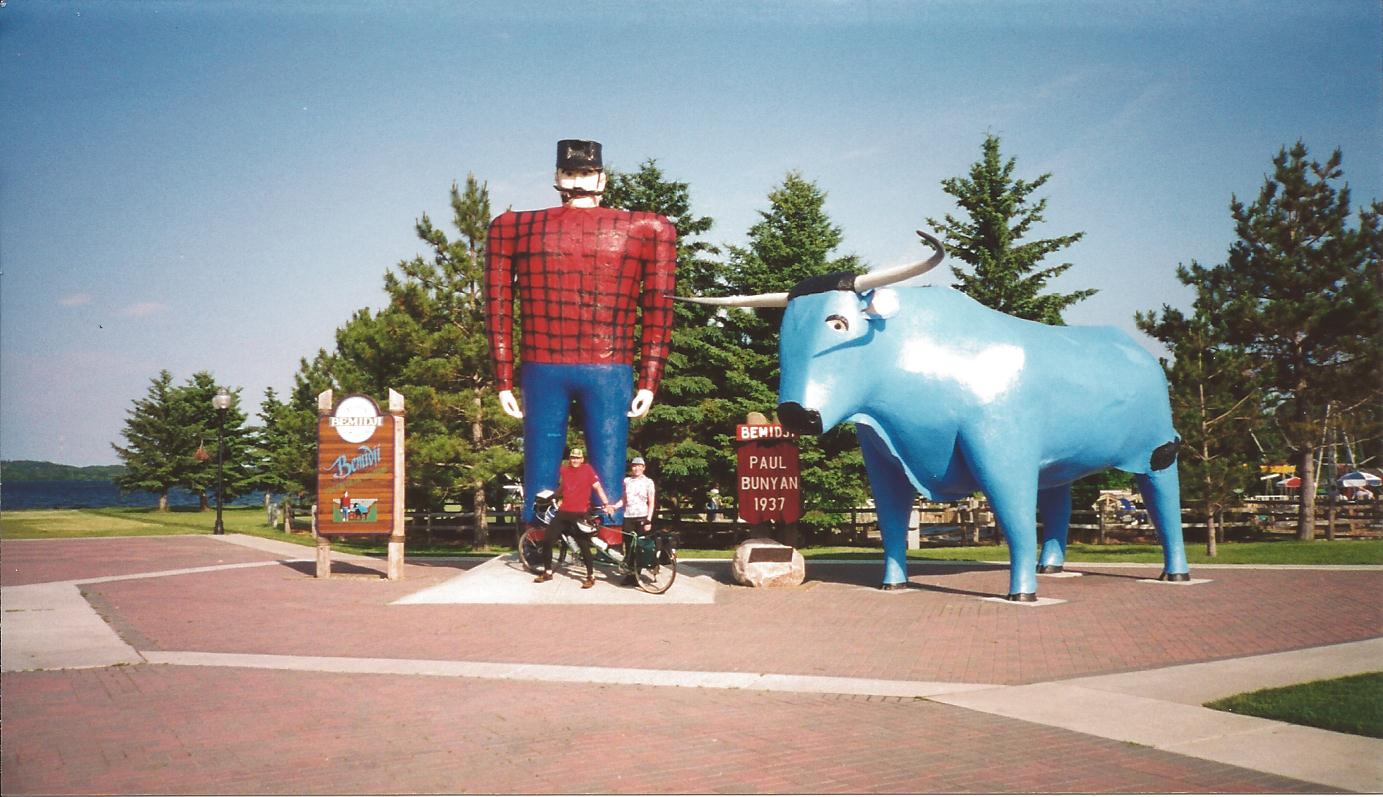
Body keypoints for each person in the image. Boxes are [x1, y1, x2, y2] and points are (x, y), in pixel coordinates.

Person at [485, 139, 677, 546]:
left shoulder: (646, 229)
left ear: (601, 178)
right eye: (571, 173)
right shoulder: (514, 228)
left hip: (602, 365)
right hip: (559, 364)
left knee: (606, 461)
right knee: (542, 457)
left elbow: (659, 309)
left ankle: (609, 537)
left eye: (583, 173)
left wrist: (649, 379)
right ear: (557, 178)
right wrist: (502, 378)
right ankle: (538, 539)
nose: (577, 180)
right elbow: (497, 306)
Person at [536, 447, 614, 589]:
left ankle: (590, 576)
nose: (575, 460)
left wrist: (606, 504)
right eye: (573, 457)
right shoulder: (565, 470)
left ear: (582, 459)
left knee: (583, 545)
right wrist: (553, 495)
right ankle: (547, 572)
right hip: (563, 512)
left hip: (579, 513)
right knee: (547, 540)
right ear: (570, 459)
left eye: (578, 458)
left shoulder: (588, 470)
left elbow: (598, 487)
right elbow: (563, 487)